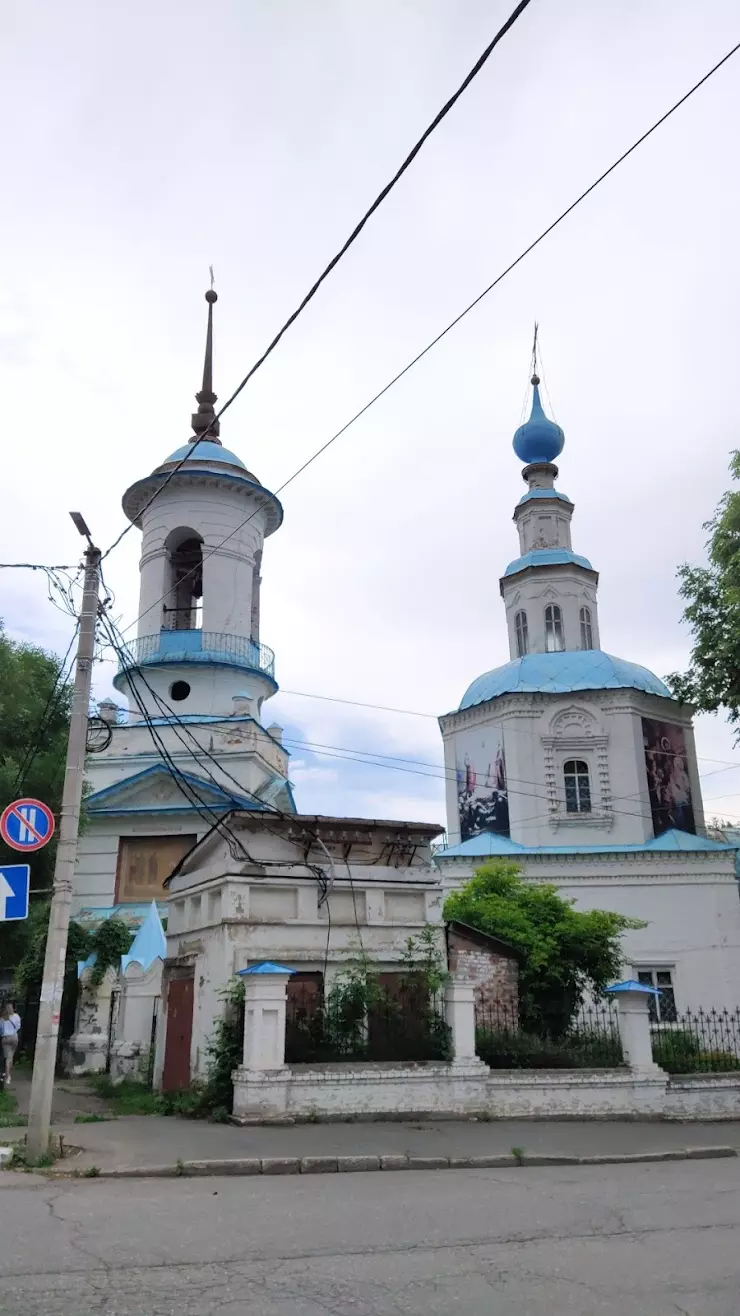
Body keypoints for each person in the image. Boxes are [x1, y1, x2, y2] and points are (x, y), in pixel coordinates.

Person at [0, 1003, 19, 1085]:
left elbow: (0, 1030)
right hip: (14, 1037)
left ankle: (8, 1076)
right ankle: (8, 1073)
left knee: (7, 1058)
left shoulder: (2, 1019)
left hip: (5, 1038)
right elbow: (18, 1027)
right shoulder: (16, 1016)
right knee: (11, 1057)